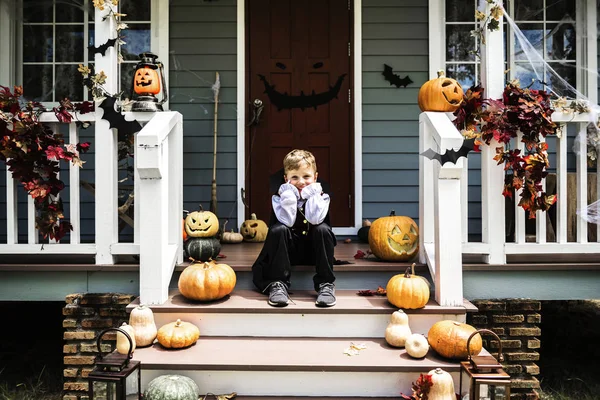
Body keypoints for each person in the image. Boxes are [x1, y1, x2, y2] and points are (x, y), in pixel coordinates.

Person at [251, 149, 337, 307]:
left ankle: (325, 284)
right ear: (286, 179)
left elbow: (315, 219)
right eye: (294, 177)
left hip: (315, 253)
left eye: (306, 177)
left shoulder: (321, 198)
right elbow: (287, 221)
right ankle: (278, 284)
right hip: (285, 254)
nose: (301, 182)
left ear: (315, 177)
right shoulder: (280, 199)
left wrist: (312, 195)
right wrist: (289, 199)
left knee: (323, 229)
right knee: (279, 229)